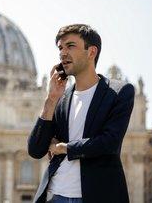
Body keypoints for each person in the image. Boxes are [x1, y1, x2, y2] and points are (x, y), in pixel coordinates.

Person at [27, 24, 135, 203]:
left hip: (96, 195)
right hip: (56, 195)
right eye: (60, 48)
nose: (62, 53)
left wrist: (65, 147)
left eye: (70, 46)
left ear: (91, 52)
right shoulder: (60, 99)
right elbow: (36, 149)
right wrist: (51, 99)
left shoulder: (119, 92)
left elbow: (109, 142)